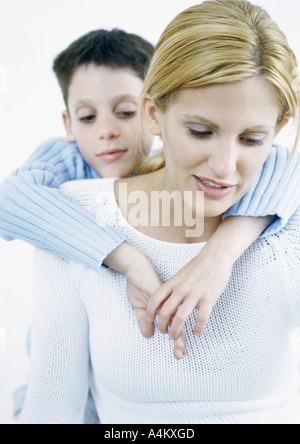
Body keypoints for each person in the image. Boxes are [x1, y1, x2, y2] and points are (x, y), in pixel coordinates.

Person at [19, 0, 300, 424]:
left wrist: (222, 252)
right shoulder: (71, 214)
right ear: (154, 113)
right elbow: (51, 408)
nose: (224, 167)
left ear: (277, 132)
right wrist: (125, 256)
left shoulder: (286, 221)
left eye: (252, 139)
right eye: (200, 132)